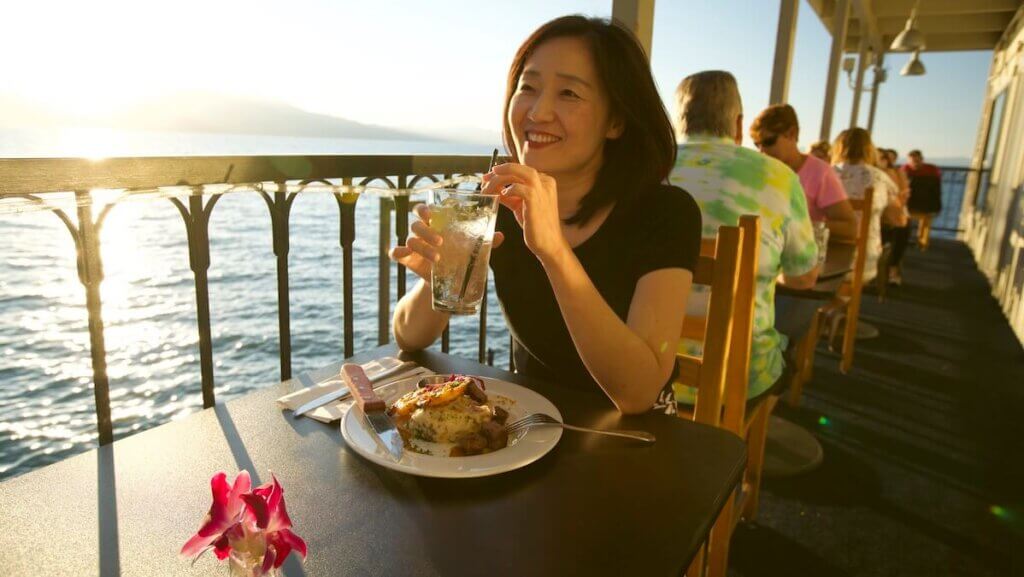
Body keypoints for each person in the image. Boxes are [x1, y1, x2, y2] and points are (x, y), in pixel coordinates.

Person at [390, 16, 702, 415]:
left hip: (638, 441)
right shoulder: (499, 206)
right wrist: (438, 279)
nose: (538, 111)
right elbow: (408, 336)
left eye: (569, 93)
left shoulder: (665, 213)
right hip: (528, 426)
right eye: (529, 88)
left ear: (616, 120)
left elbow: (637, 393)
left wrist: (553, 251)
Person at [670, 71, 818, 406]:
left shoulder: (645, 167)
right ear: (738, 124)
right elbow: (803, 277)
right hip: (738, 377)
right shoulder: (779, 177)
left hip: (643, 369)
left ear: (680, 120)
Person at [750, 104, 857, 241]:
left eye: (769, 142)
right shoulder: (762, 169)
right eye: (757, 144)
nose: (762, 151)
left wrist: (801, 226)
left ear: (792, 133)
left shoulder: (819, 173)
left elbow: (850, 228)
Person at [831, 129, 898, 284]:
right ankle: (837, 303)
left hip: (822, 253)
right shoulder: (879, 177)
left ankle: (833, 302)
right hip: (863, 259)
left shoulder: (825, 174)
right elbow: (898, 220)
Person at [878, 148, 911, 284]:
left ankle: (893, 269)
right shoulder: (872, 174)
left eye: (883, 158)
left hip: (893, 212)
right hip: (880, 215)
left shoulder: (896, 173)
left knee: (900, 229)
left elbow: (903, 193)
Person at [903, 149, 943, 215]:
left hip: (927, 204)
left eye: (916, 161)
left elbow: (936, 190)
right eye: (911, 161)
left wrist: (936, 208)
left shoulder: (932, 169)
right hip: (910, 204)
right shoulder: (905, 169)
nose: (914, 163)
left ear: (922, 160)